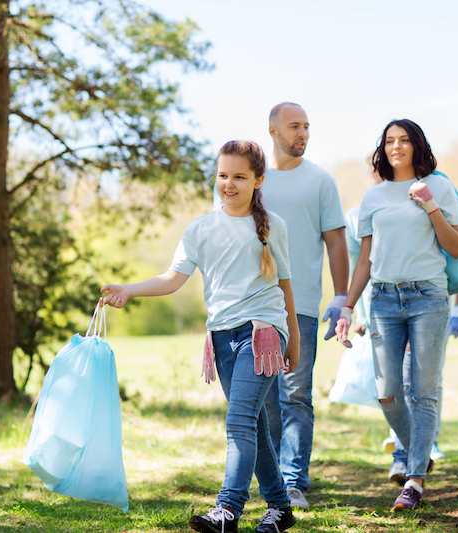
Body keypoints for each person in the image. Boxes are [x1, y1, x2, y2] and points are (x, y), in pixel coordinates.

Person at [101, 141, 299, 533]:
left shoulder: (274, 225)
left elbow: (286, 285)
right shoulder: (201, 228)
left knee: (239, 420)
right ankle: (280, 506)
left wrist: (292, 337)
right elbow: (172, 279)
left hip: (262, 334)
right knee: (253, 423)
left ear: (258, 180)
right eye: (223, 175)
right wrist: (129, 289)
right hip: (221, 339)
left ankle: (227, 510)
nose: (229, 183)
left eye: (240, 176)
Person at [336, 119, 458, 510]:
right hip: (384, 301)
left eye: (404, 140)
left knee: (423, 392)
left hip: (428, 297)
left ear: (416, 146)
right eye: (390, 141)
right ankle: (418, 454)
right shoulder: (373, 198)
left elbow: (456, 247)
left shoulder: (439, 187)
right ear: (383, 148)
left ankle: (414, 480)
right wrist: (345, 306)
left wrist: (430, 205)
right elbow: (364, 261)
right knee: (387, 393)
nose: (396, 147)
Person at [261, 102, 349, 509]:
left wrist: (341, 295)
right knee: (264, 397)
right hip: (256, 306)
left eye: (307, 127)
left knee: (294, 394)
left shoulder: (320, 181)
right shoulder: (250, 178)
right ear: (273, 130)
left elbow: (335, 241)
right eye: (295, 126)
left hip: (304, 306)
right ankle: (274, 479)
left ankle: (294, 480)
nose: (303, 134)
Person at [386, 292, 458, 485]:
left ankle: (426, 447)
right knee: (400, 385)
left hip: (436, 303)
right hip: (398, 303)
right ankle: (404, 454)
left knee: (430, 383)